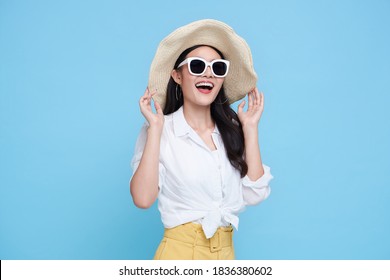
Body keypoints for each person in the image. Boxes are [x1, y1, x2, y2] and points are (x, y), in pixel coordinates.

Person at [130, 19, 273, 260]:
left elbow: (254, 194)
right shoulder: (161, 131)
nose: (208, 73)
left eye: (217, 68)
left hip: (226, 253)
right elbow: (143, 199)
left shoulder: (232, 129)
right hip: (180, 253)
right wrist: (155, 128)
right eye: (197, 66)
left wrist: (250, 128)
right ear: (177, 75)